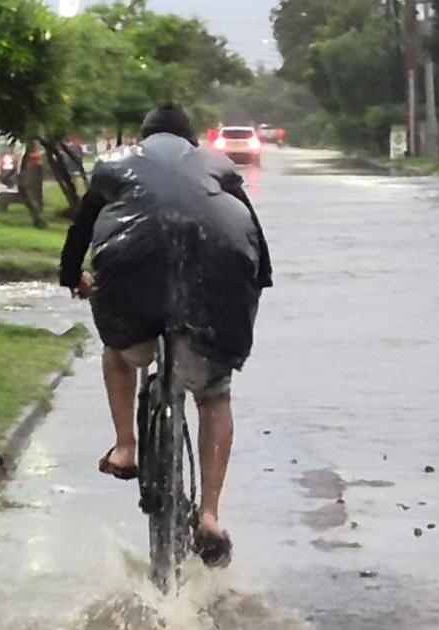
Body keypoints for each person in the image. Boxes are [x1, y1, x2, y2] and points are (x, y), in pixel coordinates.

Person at [58, 105, 273, 568]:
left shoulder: (114, 165)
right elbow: (253, 237)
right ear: (191, 141)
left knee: (117, 352)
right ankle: (211, 515)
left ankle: (125, 446)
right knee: (214, 396)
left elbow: (80, 231)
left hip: (130, 301)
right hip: (212, 304)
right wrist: (256, 284)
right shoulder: (218, 166)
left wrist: (72, 276)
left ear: (142, 138)